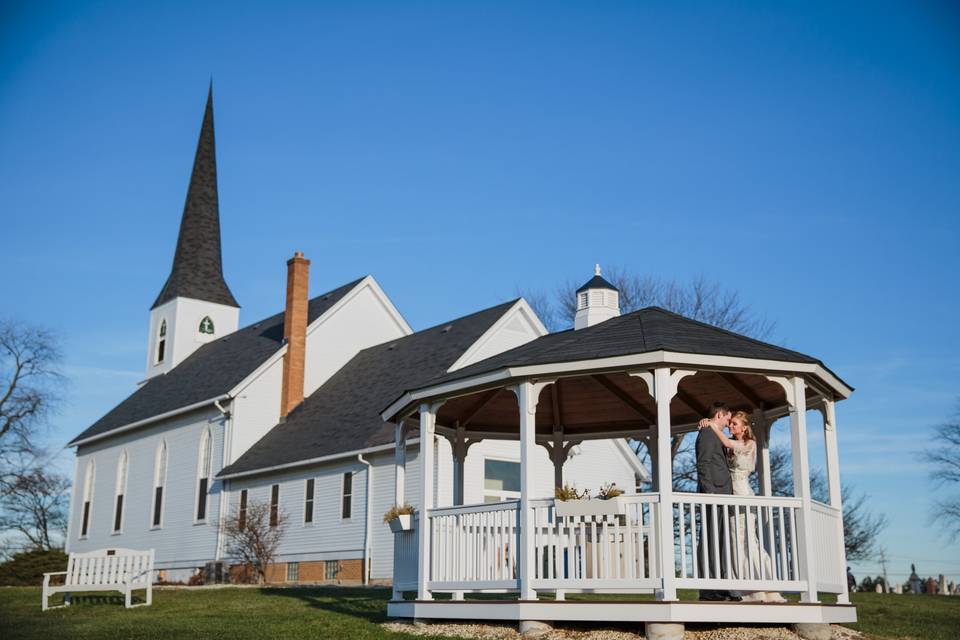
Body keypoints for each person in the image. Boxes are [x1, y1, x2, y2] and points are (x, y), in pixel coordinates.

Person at [699, 410, 787, 603]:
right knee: (734, 542)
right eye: (730, 424)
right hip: (731, 496)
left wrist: (713, 424)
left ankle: (762, 585)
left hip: (743, 495)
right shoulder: (729, 442)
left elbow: (728, 443)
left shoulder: (749, 444)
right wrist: (709, 422)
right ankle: (740, 587)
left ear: (745, 427)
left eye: (735, 424)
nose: (731, 426)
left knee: (748, 541)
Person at [695, 402, 741, 601]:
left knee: (721, 541)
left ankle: (721, 585)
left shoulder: (715, 434)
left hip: (723, 495)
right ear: (720, 415)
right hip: (713, 495)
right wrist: (710, 492)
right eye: (727, 419)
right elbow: (703, 463)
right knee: (710, 540)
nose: (728, 423)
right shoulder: (706, 434)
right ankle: (709, 589)